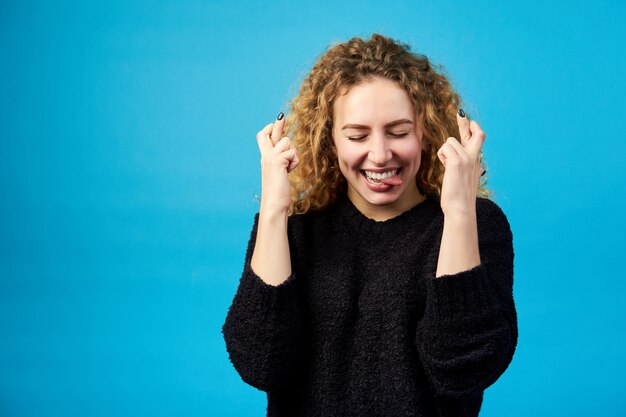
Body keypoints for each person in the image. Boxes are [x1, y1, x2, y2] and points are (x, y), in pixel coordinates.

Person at [222, 33, 517, 417]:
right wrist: (275, 212)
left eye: (398, 132)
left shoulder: (478, 225)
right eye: (357, 135)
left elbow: (463, 370)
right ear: (329, 141)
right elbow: (260, 365)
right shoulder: (295, 229)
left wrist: (460, 212)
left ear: (425, 132)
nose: (380, 155)